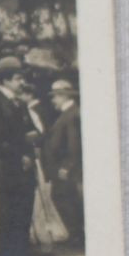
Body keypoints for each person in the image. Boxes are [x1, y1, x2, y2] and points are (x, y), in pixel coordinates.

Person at [0, 56, 42, 256]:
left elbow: (31, 132)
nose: (21, 83)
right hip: (6, 168)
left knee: (24, 213)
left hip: (24, 169)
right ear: (5, 80)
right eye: (17, 78)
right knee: (8, 214)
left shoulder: (20, 103)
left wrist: (33, 140)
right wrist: (20, 154)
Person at [43, 78, 84, 242]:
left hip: (64, 167)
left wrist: (66, 166)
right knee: (66, 197)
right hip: (61, 166)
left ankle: (76, 235)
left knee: (64, 197)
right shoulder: (69, 114)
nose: (53, 100)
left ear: (63, 96)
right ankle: (76, 234)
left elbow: (74, 144)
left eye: (55, 97)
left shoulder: (72, 114)